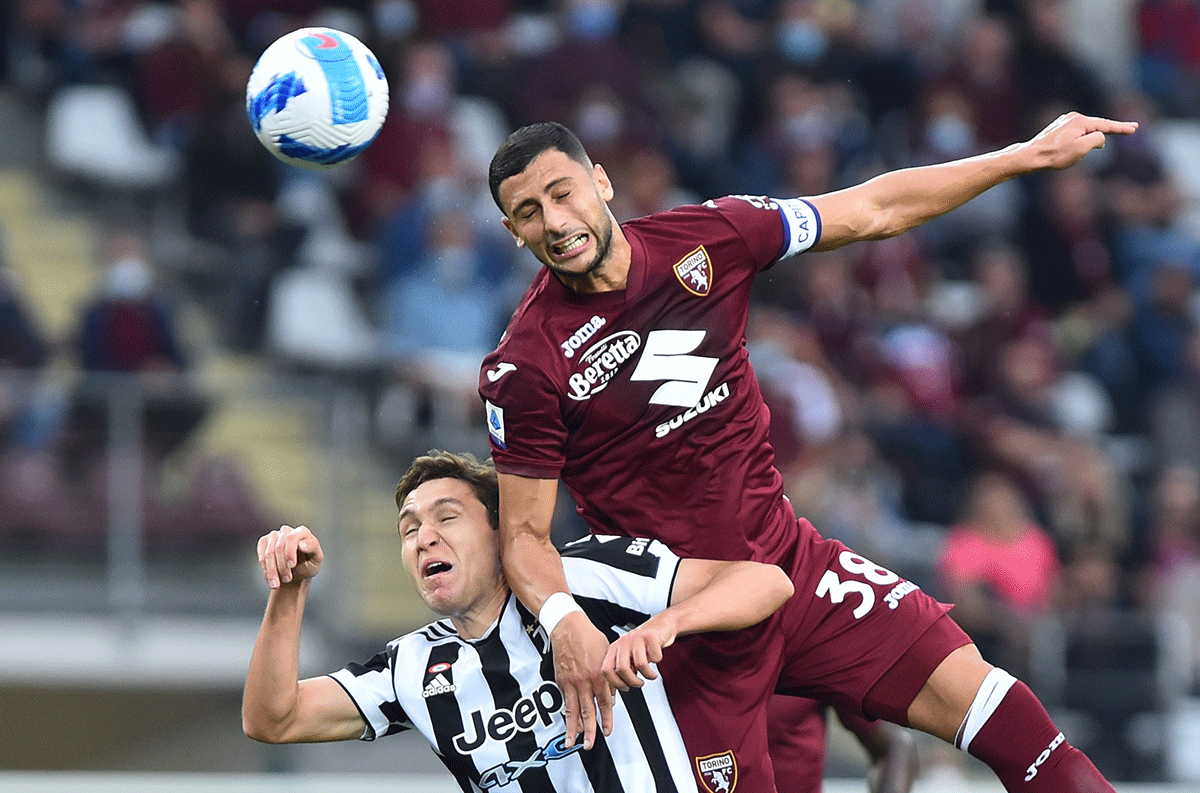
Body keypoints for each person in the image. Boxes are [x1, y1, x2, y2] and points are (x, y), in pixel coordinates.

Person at [477, 114, 1137, 792]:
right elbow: (523, 536)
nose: (554, 220)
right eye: (528, 212)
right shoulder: (524, 366)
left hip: (793, 569)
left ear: (602, 181)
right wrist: (564, 623)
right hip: (677, 635)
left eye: (562, 192)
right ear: (512, 231)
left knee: (1011, 719)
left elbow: (873, 208)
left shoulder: (710, 238)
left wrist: (1020, 156)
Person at [243, 450, 797, 791]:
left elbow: (767, 582)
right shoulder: (409, 668)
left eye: (448, 517)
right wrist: (291, 592)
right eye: (409, 530)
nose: (424, 537)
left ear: (501, 531)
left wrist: (661, 626)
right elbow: (273, 719)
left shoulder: (585, 577)